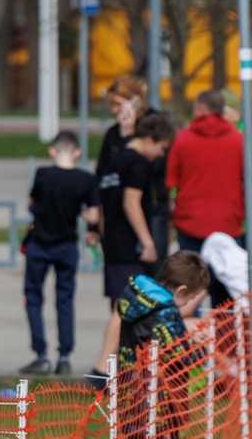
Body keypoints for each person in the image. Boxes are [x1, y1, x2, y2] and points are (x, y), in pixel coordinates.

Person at [117, 251, 211, 439]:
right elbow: (177, 354)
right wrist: (202, 348)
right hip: (161, 401)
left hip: (132, 394)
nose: (190, 306)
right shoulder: (165, 310)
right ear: (182, 291)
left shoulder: (136, 300)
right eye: (193, 299)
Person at [91, 113, 175, 382]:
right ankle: (102, 368)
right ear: (150, 139)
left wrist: (105, 237)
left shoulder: (115, 158)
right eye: (161, 148)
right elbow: (131, 203)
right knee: (125, 307)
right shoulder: (138, 163)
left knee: (122, 304)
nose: (159, 155)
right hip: (129, 246)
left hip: (113, 243)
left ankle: (123, 368)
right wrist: (148, 241)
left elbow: (104, 206)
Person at [20, 130, 101, 376]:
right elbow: (94, 216)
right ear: (77, 152)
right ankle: (64, 355)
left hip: (40, 245)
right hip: (67, 246)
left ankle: (41, 354)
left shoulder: (43, 174)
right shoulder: (85, 179)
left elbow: (31, 204)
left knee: (34, 298)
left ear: (52, 151)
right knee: (64, 300)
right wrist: (81, 215)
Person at [166, 89, 244, 306]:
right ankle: (224, 340)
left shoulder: (181, 140)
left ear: (200, 109)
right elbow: (247, 185)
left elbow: (169, 184)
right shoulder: (239, 142)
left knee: (187, 294)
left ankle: (188, 338)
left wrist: (168, 221)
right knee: (225, 299)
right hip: (228, 227)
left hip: (190, 225)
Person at [96, 76, 170, 276]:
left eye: (118, 104)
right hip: (117, 216)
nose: (114, 110)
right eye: (112, 105)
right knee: (123, 281)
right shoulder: (114, 133)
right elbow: (103, 174)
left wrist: (129, 137)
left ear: (135, 101)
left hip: (151, 210)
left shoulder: (156, 126)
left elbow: (155, 166)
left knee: (153, 275)